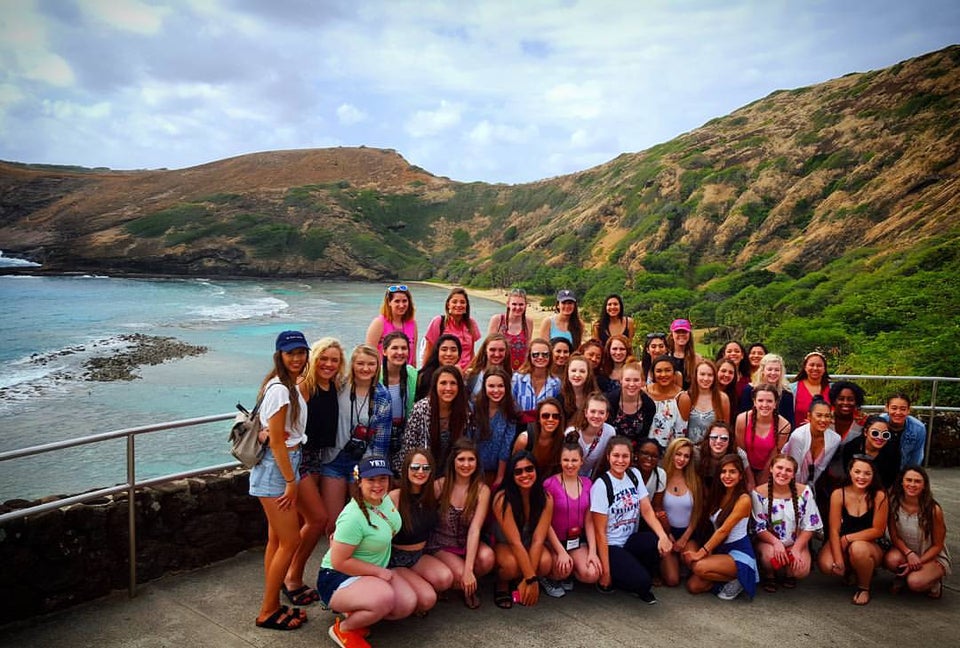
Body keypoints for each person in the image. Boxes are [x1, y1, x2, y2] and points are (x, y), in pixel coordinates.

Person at [316, 456, 416, 645]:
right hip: (337, 576)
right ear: (359, 482)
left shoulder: (385, 500)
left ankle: (357, 608)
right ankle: (343, 629)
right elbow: (339, 562)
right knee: (385, 598)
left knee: (406, 604)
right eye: (371, 480)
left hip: (368, 574)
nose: (377, 485)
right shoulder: (352, 516)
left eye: (382, 479)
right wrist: (379, 571)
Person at [251, 331, 310, 631]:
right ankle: (266, 612)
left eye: (301, 352)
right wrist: (290, 480)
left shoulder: (284, 386)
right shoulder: (279, 390)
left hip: (283, 464)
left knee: (277, 540)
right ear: (280, 355)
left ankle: (272, 604)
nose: (297, 358)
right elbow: (276, 442)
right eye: (290, 353)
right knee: (291, 540)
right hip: (278, 468)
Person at [285, 337, 344, 603]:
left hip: (319, 458)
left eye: (334, 360)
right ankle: (292, 578)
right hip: (299, 459)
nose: (328, 364)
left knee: (302, 522)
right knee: (317, 520)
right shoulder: (303, 386)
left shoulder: (335, 385)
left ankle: (285, 573)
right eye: (324, 358)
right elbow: (280, 418)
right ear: (314, 359)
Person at [321, 345, 393, 541]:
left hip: (362, 462)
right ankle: (336, 565)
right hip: (333, 457)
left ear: (378, 366)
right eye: (360, 363)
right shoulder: (339, 385)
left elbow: (381, 441)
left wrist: (370, 472)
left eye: (371, 364)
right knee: (333, 522)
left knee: (364, 518)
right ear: (352, 365)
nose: (365, 368)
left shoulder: (382, 395)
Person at [591, 436, 673, 602]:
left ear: (631, 457)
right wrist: (606, 573)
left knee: (654, 540)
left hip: (629, 540)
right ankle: (619, 576)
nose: (620, 461)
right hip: (611, 546)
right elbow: (600, 532)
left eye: (625, 456)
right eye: (616, 456)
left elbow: (647, 510)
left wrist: (663, 536)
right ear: (608, 457)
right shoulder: (601, 485)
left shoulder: (634, 475)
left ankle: (632, 570)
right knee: (643, 583)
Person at [427, 439, 496, 609]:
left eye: (471, 459)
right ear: (453, 461)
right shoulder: (439, 486)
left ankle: (467, 582)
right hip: (441, 544)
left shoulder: (482, 490)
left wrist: (469, 569)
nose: (466, 464)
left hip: (467, 543)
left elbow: (475, 530)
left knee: (487, 558)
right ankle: (461, 586)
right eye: (461, 459)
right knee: (458, 575)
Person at [387, 449, 454, 615]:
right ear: (406, 469)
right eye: (415, 467)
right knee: (428, 599)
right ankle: (406, 589)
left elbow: (457, 475)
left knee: (445, 579)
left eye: (426, 468)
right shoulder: (394, 497)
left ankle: (412, 583)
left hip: (418, 556)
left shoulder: (433, 493)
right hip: (396, 559)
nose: (420, 472)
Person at [684, 453, 758, 601]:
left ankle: (740, 577)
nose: (727, 476)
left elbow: (724, 530)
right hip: (721, 550)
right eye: (723, 472)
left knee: (698, 566)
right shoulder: (719, 494)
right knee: (693, 586)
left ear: (741, 476)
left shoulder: (744, 499)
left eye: (732, 472)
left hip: (739, 553)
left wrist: (701, 553)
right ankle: (723, 577)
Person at [817, 455, 889, 605]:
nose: (861, 477)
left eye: (867, 473)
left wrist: (848, 538)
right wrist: (838, 560)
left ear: (873, 475)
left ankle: (864, 587)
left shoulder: (879, 495)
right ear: (850, 472)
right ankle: (851, 571)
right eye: (857, 472)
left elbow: (878, 530)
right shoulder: (839, 494)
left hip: (870, 544)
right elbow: (834, 530)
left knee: (858, 549)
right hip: (842, 540)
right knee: (828, 565)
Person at [492, 451, 554, 608]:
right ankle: (502, 583)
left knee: (546, 562)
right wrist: (531, 580)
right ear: (511, 475)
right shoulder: (502, 499)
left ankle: (522, 581)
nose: (524, 474)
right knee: (511, 565)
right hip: (504, 543)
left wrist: (529, 580)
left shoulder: (545, 498)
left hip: (527, 543)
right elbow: (514, 542)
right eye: (518, 471)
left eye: (529, 469)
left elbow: (538, 540)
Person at [751, 454, 823, 592]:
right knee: (770, 556)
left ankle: (789, 573)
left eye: (788, 470)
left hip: (795, 541)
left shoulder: (804, 491)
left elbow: (810, 524)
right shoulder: (758, 493)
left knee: (801, 570)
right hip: (770, 542)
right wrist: (776, 543)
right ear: (771, 469)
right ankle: (769, 574)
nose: (783, 473)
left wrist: (797, 548)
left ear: (794, 474)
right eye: (779, 468)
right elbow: (759, 527)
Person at [542, 443, 602, 596]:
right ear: (560, 461)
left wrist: (593, 552)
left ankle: (570, 572)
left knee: (592, 573)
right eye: (566, 460)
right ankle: (548, 577)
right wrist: (561, 551)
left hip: (576, 541)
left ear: (582, 461)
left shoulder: (588, 484)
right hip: (554, 541)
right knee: (563, 569)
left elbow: (589, 521)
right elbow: (545, 524)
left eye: (574, 460)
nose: (570, 465)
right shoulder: (549, 484)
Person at [884, 466, 951, 599]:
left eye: (917, 481)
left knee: (915, 583)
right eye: (908, 480)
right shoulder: (893, 503)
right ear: (902, 482)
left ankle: (934, 581)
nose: (912, 485)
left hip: (931, 555)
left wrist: (918, 560)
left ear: (924, 485)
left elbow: (938, 545)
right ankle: (902, 576)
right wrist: (909, 554)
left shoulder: (933, 510)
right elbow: (894, 536)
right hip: (905, 551)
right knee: (891, 560)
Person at [405, 365, 470, 470]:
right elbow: (409, 447)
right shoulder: (421, 409)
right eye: (443, 383)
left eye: (453, 383)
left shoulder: (466, 411)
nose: (448, 388)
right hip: (423, 470)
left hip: (453, 471)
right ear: (435, 385)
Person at [782, 396, 841, 508]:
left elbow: (820, 469)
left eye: (827, 416)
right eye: (819, 415)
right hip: (788, 482)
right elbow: (795, 469)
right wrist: (798, 497)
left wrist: (809, 493)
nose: (823, 420)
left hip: (810, 486)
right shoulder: (798, 436)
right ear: (809, 416)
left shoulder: (835, 439)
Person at [735, 383, 792, 489]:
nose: (765, 405)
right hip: (744, 467)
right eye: (760, 400)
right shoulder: (743, 419)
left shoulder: (784, 425)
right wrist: (750, 478)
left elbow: (774, 455)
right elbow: (741, 452)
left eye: (769, 401)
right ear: (754, 402)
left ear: (775, 403)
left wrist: (762, 480)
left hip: (768, 469)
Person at [468, 367, 517, 488]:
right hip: (472, 468)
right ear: (484, 387)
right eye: (491, 386)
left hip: (496, 470)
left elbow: (506, 447)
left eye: (500, 386)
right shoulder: (474, 408)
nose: (496, 390)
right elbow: (468, 441)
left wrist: (500, 476)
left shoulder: (510, 411)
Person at [380, 331, 418, 474]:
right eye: (395, 348)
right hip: (379, 434)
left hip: (403, 435)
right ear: (384, 351)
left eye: (404, 348)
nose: (400, 352)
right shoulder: (375, 376)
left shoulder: (413, 375)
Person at [421, 287, 482, 371]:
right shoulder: (438, 322)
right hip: (443, 372)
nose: (458, 305)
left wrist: (468, 371)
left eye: (462, 302)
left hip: (466, 374)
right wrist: (424, 373)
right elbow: (428, 352)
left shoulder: (471, 324)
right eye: (454, 302)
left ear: (466, 306)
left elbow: (471, 353)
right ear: (448, 305)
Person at [511, 337, 561, 428]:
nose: (540, 357)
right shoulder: (517, 379)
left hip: (545, 428)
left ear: (550, 357)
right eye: (536, 354)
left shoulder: (556, 383)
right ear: (529, 356)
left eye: (545, 355)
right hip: (519, 426)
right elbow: (510, 404)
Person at [678, 359, 730, 445]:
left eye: (710, 375)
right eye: (702, 374)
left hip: (712, 449)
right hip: (690, 448)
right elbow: (680, 428)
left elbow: (725, 428)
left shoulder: (722, 398)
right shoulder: (686, 397)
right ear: (696, 376)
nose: (706, 378)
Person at [841, 415, 900, 489]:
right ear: (865, 432)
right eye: (875, 433)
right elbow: (848, 474)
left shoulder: (893, 452)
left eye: (885, 434)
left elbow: (890, 479)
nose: (880, 438)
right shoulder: (851, 448)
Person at [565, 392, 616, 478]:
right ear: (586, 413)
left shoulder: (610, 432)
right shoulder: (572, 432)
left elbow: (602, 463)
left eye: (601, 413)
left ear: (606, 416)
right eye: (593, 411)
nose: (596, 416)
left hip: (590, 478)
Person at [365, 284, 417, 366]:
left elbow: (413, 358)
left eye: (404, 301)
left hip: (405, 374)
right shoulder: (379, 323)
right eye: (397, 301)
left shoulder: (412, 324)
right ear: (389, 302)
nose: (401, 305)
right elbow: (368, 355)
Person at [513, 397, 566, 476]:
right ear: (538, 419)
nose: (550, 419)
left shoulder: (562, 441)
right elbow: (513, 468)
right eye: (545, 416)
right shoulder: (524, 440)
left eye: (555, 416)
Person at [607, 361, 655, 449]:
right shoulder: (610, 401)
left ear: (642, 382)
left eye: (636, 380)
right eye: (627, 380)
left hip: (636, 449)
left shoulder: (649, 405)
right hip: (611, 448)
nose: (632, 384)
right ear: (621, 380)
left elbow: (644, 436)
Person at [739, 353, 795, 427]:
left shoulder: (786, 394)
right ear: (762, 370)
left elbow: (789, 422)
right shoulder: (750, 390)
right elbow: (743, 417)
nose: (773, 373)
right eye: (769, 369)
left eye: (777, 370)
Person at [643, 355, 685, 449]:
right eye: (659, 371)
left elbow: (681, 432)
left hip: (669, 452)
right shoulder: (644, 393)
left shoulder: (682, 398)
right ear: (653, 374)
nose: (663, 375)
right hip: (644, 450)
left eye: (667, 370)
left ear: (674, 373)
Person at [697, 421, 750, 495]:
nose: (718, 441)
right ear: (708, 438)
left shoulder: (739, 454)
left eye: (724, 438)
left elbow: (750, 482)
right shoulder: (697, 453)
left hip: (729, 492)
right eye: (714, 437)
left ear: (730, 441)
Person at [488, 288, 534, 371]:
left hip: (521, 369)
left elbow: (528, 347)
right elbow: (489, 347)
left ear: (525, 305)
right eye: (514, 304)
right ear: (508, 304)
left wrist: (525, 368)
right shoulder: (497, 320)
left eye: (521, 304)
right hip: (499, 369)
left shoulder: (528, 322)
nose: (517, 307)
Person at [881, 392, 927, 469]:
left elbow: (916, 456)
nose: (898, 413)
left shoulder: (918, 428)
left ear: (909, 410)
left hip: (903, 469)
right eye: (894, 408)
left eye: (903, 409)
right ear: (887, 408)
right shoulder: (878, 423)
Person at [414, 333, 461, 401]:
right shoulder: (424, 377)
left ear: (459, 355)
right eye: (444, 349)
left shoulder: (460, 376)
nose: (449, 354)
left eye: (453, 350)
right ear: (437, 352)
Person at [790, 352, 831, 426]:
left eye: (819, 366)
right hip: (798, 434)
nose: (815, 368)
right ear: (805, 367)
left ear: (824, 369)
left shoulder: (832, 389)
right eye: (812, 365)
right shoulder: (792, 389)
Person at [559, 354, 599, 420]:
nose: (577, 375)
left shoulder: (597, 399)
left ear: (588, 374)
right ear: (567, 373)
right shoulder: (560, 399)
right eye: (573, 371)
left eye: (582, 371)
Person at [666, 318, 701, 390]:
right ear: (672, 335)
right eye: (678, 332)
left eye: (684, 332)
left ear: (689, 335)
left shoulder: (697, 358)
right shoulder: (666, 356)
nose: (681, 334)